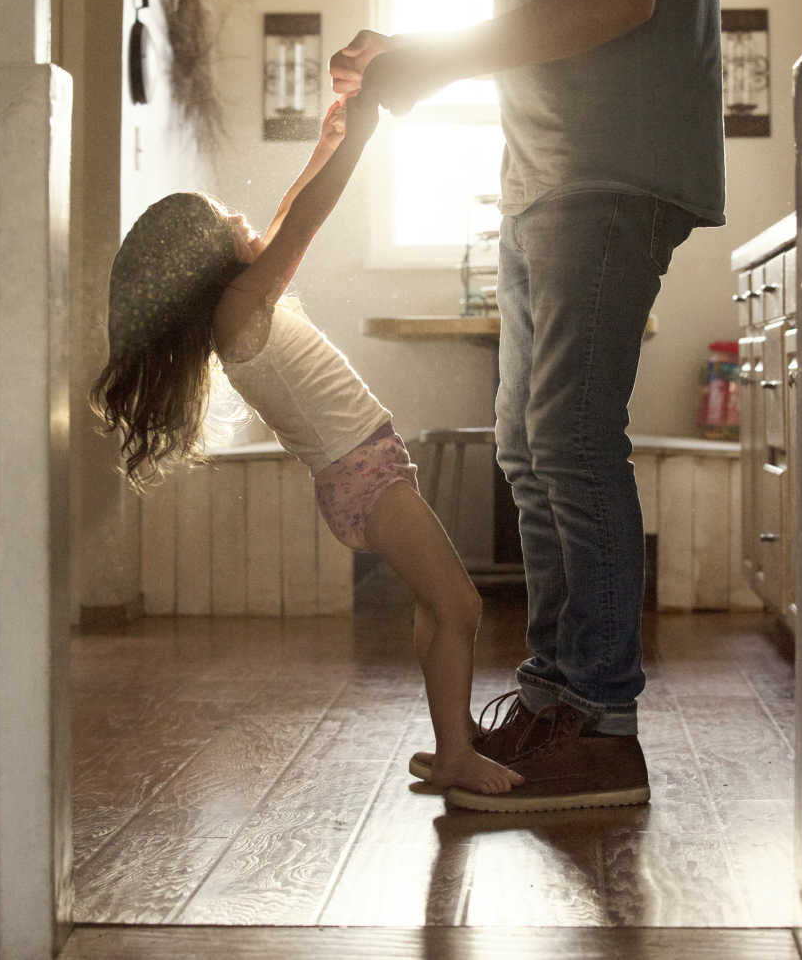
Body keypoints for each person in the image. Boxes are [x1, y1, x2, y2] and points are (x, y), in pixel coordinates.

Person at [330, 0, 725, 812]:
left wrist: (432, 59)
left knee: (568, 444)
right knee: (528, 452)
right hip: (549, 179)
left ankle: (601, 724)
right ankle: (558, 695)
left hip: (608, 177)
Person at [90, 92, 524, 797]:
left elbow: (285, 218)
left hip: (367, 470)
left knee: (436, 605)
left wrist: (329, 142)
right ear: (212, 261)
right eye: (230, 222)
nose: (245, 222)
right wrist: (359, 142)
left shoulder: (238, 306)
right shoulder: (239, 308)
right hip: (365, 475)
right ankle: (455, 755)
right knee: (462, 608)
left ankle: (454, 738)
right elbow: (304, 227)